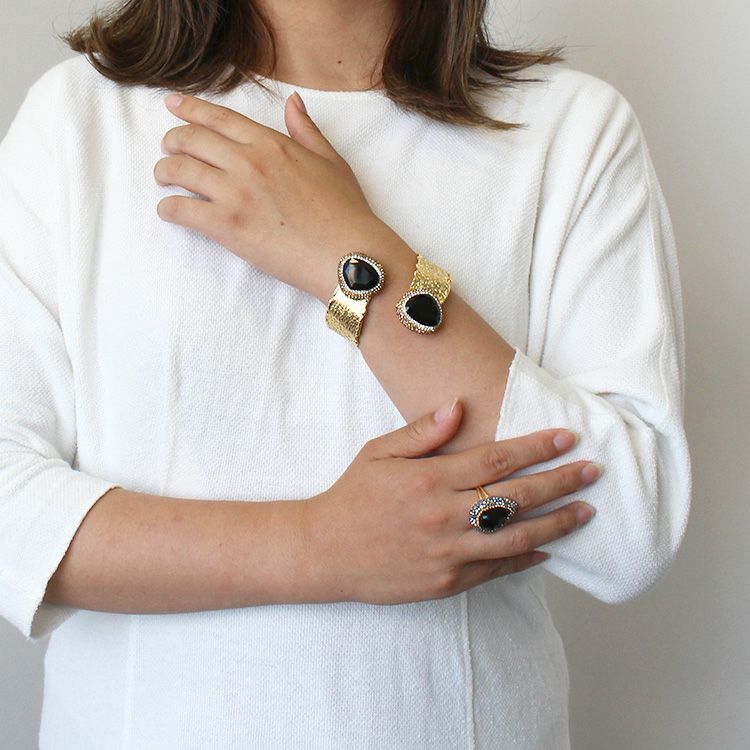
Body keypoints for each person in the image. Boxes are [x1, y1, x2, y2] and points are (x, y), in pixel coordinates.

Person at [0, 0, 691, 747]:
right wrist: (319, 547)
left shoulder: (568, 130)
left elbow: (628, 529)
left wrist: (351, 257)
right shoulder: (81, 119)